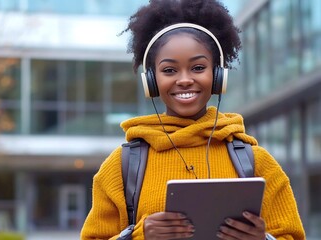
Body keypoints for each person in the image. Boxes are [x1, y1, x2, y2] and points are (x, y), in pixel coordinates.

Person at [80, 0, 306, 239]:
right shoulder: (123, 165)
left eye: (198, 67)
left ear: (218, 76)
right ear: (152, 82)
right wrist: (138, 235)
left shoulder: (256, 162)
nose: (185, 79)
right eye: (169, 70)